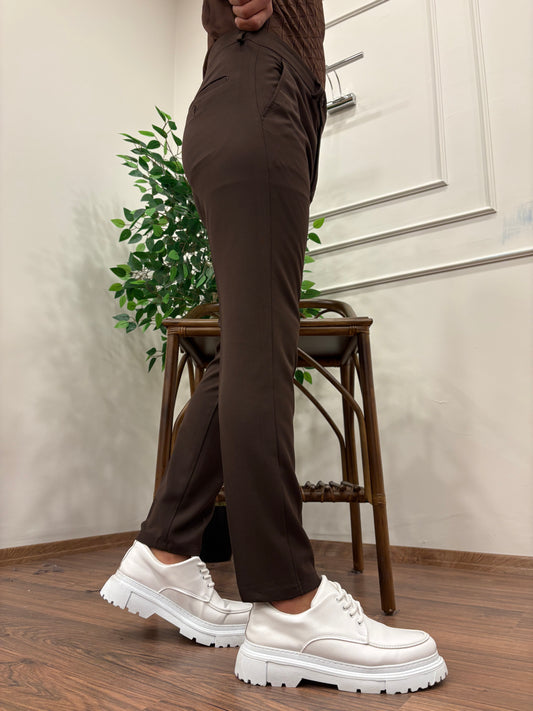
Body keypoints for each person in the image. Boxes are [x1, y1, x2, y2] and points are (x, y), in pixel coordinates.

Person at [101, 0, 447, 694]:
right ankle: (291, 606)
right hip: (261, 88)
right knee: (261, 346)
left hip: (255, 98)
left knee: (248, 345)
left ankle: (166, 550)